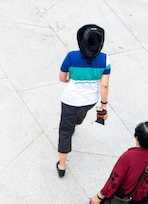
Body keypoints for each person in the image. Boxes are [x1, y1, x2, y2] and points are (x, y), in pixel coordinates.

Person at [57, 24, 111, 177]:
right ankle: (76, 122)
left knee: (64, 132)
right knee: (80, 116)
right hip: (90, 100)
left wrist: (68, 79)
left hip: (70, 100)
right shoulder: (105, 59)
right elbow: (105, 85)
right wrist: (104, 104)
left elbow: (62, 77)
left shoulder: (71, 57)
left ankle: (62, 165)